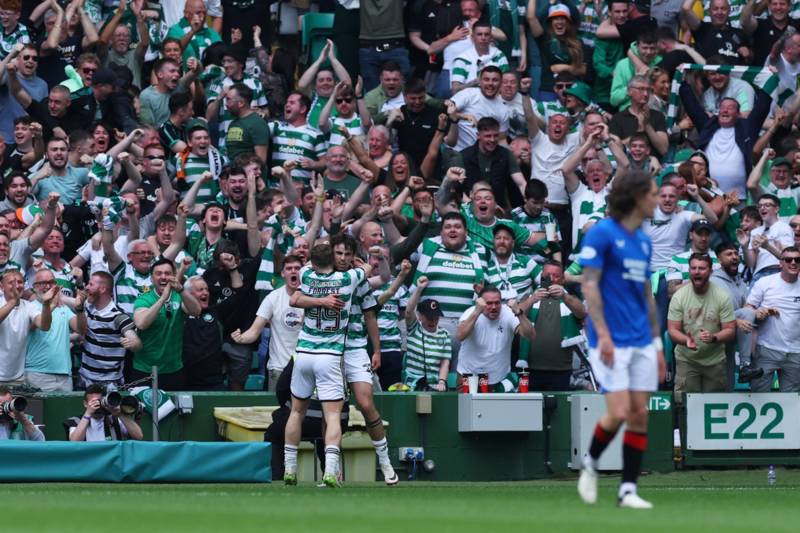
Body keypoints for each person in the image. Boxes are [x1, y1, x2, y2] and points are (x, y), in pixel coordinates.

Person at [576, 170, 666, 509]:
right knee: (619, 412)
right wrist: (603, 334)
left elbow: (646, 296)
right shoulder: (601, 233)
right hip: (610, 340)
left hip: (642, 339)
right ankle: (590, 462)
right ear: (637, 197)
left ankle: (627, 490)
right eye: (653, 194)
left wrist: (657, 345)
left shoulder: (644, 240)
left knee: (639, 414)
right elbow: (589, 285)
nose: (658, 199)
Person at [282, 243, 370, 487]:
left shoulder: (305, 275)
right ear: (332, 258)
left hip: (304, 353)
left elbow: (296, 296)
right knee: (332, 416)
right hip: (329, 355)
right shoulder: (347, 278)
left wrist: (318, 299)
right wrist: (360, 263)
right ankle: (330, 471)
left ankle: (290, 469)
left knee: (296, 412)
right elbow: (367, 269)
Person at [668, 253, 736, 397]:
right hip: (687, 360)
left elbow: (730, 330)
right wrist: (686, 340)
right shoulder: (679, 297)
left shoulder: (722, 296)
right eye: (693, 268)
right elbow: (672, 330)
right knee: (685, 405)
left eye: (702, 268)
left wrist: (714, 337)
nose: (697, 272)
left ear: (710, 271)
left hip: (715, 361)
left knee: (715, 406)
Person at [233, 255, 304, 392]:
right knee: (277, 405)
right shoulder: (273, 298)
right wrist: (241, 338)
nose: (293, 271)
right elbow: (254, 331)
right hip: (278, 367)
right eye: (289, 268)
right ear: (283, 274)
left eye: (297, 268)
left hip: (305, 367)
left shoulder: (312, 298)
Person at [132, 257, 202, 391]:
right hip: (144, 369)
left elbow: (196, 311)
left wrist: (181, 290)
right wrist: (162, 299)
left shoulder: (179, 296)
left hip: (173, 370)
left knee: (173, 404)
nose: (163, 277)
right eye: (158, 274)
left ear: (173, 276)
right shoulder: (144, 299)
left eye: (167, 273)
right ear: (151, 278)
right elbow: (141, 324)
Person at [519, 260, 586, 391]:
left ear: (562, 279)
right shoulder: (530, 296)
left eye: (556, 276)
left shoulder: (570, 298)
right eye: (547, 275)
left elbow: (581, 313)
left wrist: (565, 296)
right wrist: (532, 299)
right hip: (531, 369)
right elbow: (517, 313)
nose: (551, 279)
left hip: (561, 370)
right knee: (531, 404)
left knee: (561, 404)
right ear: (541, 277)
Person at [456, 285, 535, 391]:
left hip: (498, 379)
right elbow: (460, 336)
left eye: (497, 303)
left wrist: (519, 312)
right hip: (468, 375)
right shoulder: (471, 312)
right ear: (481, 303)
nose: (494, 307)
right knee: (466, 402)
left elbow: (530, 335)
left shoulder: (508, 313)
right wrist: (477, 312)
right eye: (489, 303)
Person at [744, 246, 800, 393]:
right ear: (780, 263)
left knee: (791, 399)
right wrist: (758, 312)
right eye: (788, 259)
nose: (793, 262)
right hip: (766, 349)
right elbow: (748, 307)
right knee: (759, 395)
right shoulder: (765, 282)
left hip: (796, 352)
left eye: (797, 260)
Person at [24, 268, 87, 392]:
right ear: (34, 287)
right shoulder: (29, 307)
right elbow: (42, 324)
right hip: (38, 374)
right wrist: (49, 305)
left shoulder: (63, 307)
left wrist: (80, 309)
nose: (48, 286)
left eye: (51, 282)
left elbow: (81, 329)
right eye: (43, 283)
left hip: (65, 374)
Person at [80, 271, 141, 389]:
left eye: (91, 284)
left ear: (102, 289)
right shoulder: (88, 306)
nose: (86, 287)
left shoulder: (118, 316)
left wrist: (133, 342)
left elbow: (136, 342)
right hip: (84, 378)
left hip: (108, 384)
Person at [0, 269, 56, 386]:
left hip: (17, 378)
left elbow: (44, 326)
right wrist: (13, 301)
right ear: (1, 286)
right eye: (11, 283)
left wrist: (46, 305)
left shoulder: (28, 306)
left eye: (20, 282)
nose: (17, 286)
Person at [403, 277, 452, 391]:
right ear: (420, 316)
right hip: (412, 386)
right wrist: (419, 289)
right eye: (429, 317)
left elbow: (445, 362)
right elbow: (409, 311)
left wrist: (442, 381)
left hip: (435, 386)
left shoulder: (445, 335)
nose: (433, 321)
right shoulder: (414, 328)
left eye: (436, 317)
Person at [740, 193, 794, 283]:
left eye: (767, 205)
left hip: (777, 272)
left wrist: (767, 246)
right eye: (760, 206)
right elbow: (750, 264)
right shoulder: (755, 232)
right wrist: (744, 246)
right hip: (758, 275)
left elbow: (789, 258)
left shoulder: (784, 228)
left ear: (776, 209)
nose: (762, 208)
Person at [67, 384, 143, 442]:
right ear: (85, 403)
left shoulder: (115, 419)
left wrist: (120, 414)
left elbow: (138, 437)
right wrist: (88, 414)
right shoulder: (77, 421)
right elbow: (74, 442)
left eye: (100, 401)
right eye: (93, 401)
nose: (98, 404)